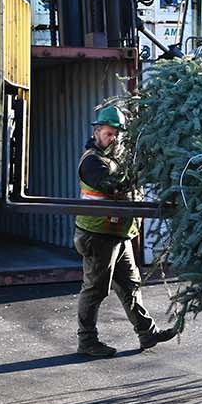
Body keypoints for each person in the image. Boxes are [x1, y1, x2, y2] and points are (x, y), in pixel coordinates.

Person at [74, 104, 177, 357]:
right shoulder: (92, 161)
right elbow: (111, 185)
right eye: (110, 133)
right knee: (95, 289)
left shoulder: (116, 159)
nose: (114, 138)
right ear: (97, 131)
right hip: (97, 235)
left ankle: (147, 333)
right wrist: (140, 171)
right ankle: (86, 341)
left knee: (130, 285)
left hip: (119, 234)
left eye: (118, 134)